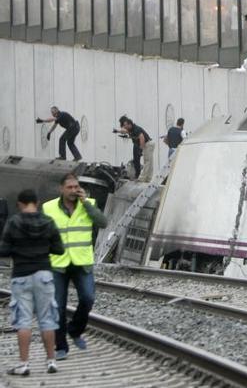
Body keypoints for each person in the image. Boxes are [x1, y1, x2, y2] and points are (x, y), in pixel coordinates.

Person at [0, 189, 65, 375]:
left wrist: (18, 249)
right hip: (44, 274)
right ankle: (51, 361)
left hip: (21, 275)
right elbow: (59, 249)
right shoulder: (48, 221)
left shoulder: (14, 222)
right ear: (36, 202)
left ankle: (24, 364)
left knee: (24, 321)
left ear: (20, 203)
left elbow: (3, 250)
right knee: (47, 320)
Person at [43, 174, 107, 361]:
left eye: (76, 187)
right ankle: (60, 346)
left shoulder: (88, 204)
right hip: (58, 264)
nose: (73, 190)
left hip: (81, 263)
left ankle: (75, 330)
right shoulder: (49, 208)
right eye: (69, 187)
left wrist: (86, 202)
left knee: (88, 299)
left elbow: (102, 223)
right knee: (58, 306)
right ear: (61, 189)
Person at [114, 116, 155, 182]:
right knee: (149, 162)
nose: (125, 127)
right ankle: (148, 179)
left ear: (130, 124)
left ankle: (142, 178)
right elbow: (125, 131)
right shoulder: (130, 129)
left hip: (147, 144)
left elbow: (142, 138)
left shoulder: (136, 129)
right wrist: (117, 131)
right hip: (147, 144)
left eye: (126, 125)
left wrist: (140, 150)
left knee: (147, 162)